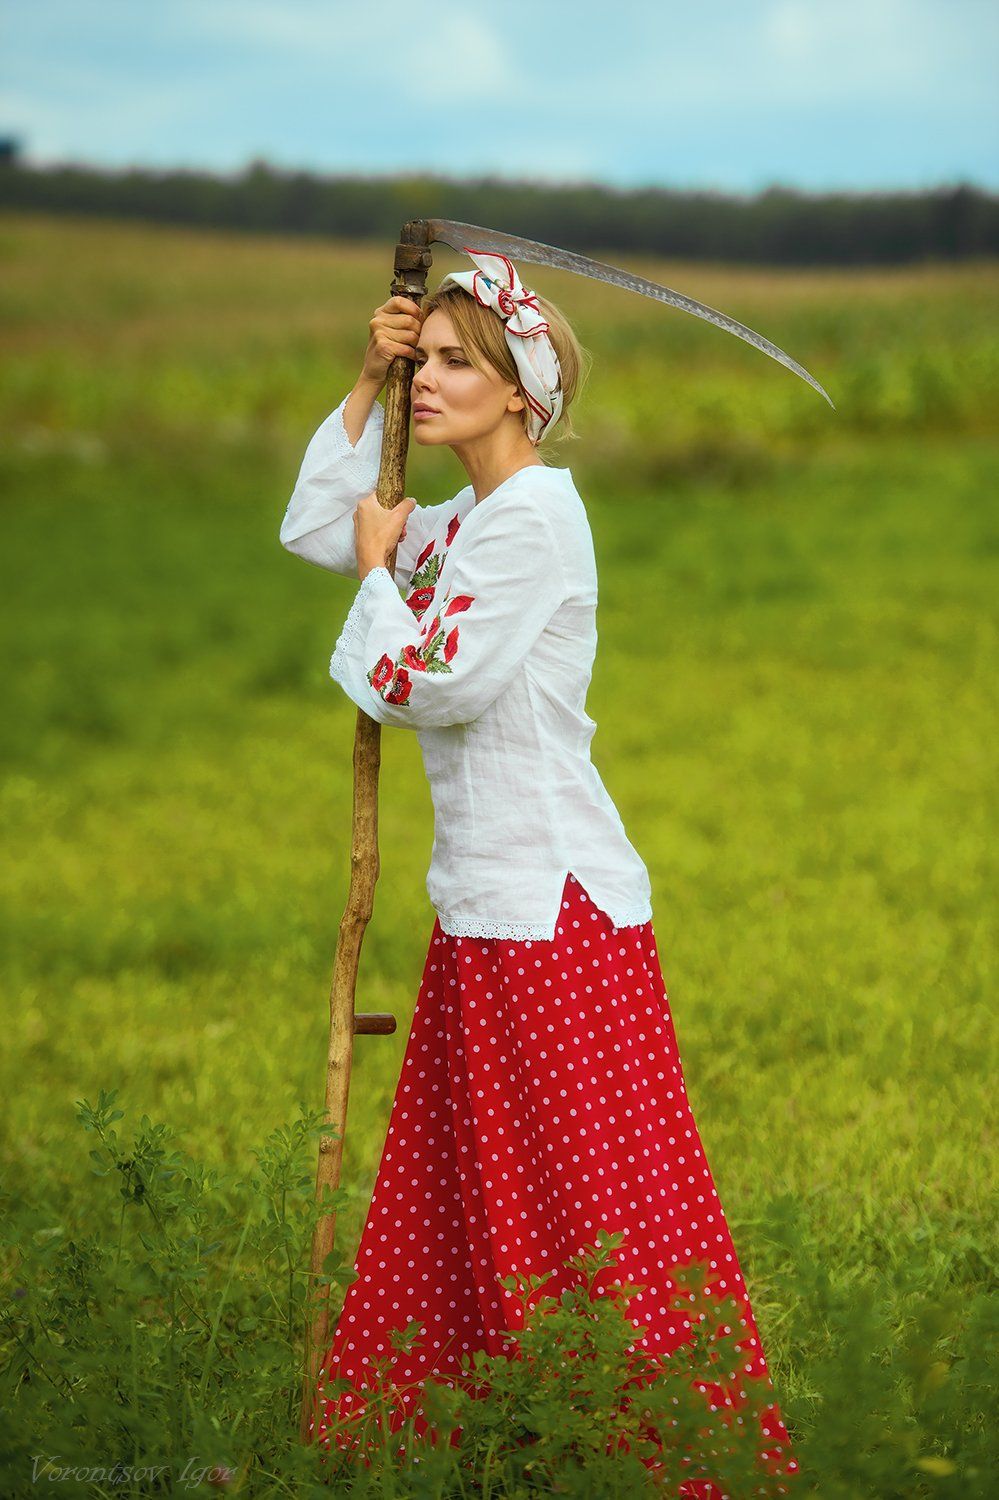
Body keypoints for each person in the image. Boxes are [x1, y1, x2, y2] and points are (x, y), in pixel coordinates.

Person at [279, 252, 798, 1490]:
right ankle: (483, 1440)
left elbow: (433, 683)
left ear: (521, 391)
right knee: (474, 1193)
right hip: (485, 905)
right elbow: (315, 525)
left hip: (549, 910)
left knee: (582, 1203)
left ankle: (649, 1447)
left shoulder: (533, 522)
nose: (428, 381)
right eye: (423, 359)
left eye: (455, 363)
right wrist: (364, 379)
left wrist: (378, 573)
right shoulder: (461, 523)